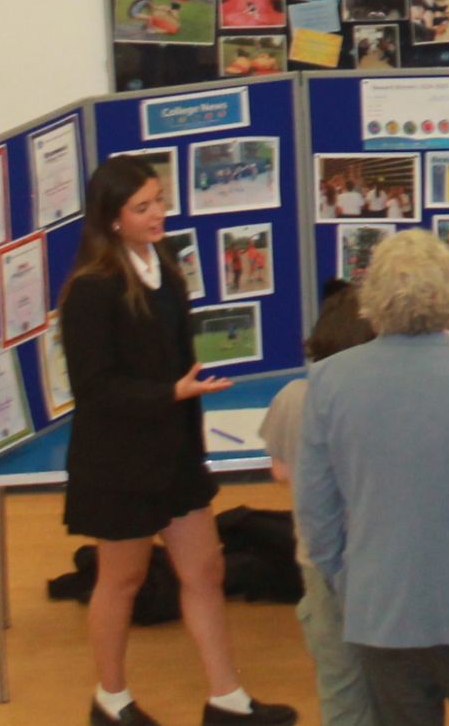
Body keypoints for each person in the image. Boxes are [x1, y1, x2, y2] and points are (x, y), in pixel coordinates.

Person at [57, 155, 296, 726]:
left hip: (174, 454)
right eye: (143, 207)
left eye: (160, 200)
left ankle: (226, 698)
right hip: (120, 461)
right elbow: (95, 389)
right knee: (124, 578)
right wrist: (172, 393)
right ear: (112, 219)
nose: (158, 213)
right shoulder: (91, 290)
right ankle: (110, 700)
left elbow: (173, 360)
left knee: (206, 570)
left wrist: (184, 402)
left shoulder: (164, 265)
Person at [298, 230, 449, 726]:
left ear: (371, 302)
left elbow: (315, 511)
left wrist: (351, 581)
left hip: (379, 608)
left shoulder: (328, 382)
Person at [265, 285, 378, 726]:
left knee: (339, 681)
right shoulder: (378, 401)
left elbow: (280, 471)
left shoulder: (294, 397)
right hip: (377, 558)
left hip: (316, 558)